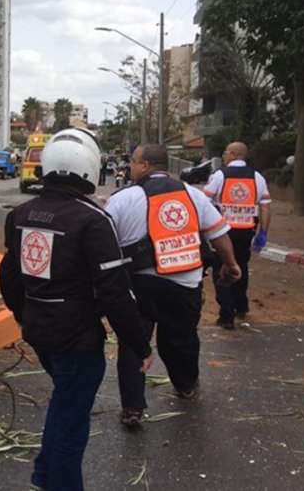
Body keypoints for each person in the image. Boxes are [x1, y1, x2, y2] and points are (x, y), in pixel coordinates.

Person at [0, 128, 153, 491]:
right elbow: (116, 292)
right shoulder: (93, 221)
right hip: (78, 339)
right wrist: (140, 344)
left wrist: (23, 315)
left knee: (64, 400)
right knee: (72, 419)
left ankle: (43, 476)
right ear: (90, 168)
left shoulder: (20, 214)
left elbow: (9, 276)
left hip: (39, 331)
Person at [104, 144, 241, 428]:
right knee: (181, 338)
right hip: (184, 286)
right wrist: (230, 264)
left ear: (143, 165)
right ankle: (186, 385)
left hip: (138, 285)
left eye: (132, 162)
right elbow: (219, 235)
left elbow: (104, 244)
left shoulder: (122, 199)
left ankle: (132, 407)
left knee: (133, 341)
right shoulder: (193, 196)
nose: (130, 168)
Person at [203, 141, 271, 329]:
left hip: (222, 232)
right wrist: (263, 232)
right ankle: (241, 305)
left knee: (221, 268)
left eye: (225, 152)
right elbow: (265, 206)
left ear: (233, 154)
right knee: (241, 265)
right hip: (246, 232)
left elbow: (204, 202)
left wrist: (206, 226)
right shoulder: (257, 177)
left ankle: (227, 315)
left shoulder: (219, 176)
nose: (224, 156)